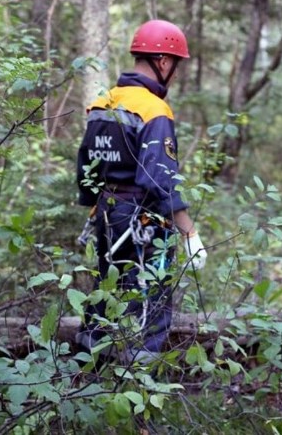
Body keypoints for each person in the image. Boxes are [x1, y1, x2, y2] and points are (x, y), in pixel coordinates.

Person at [75, 19, 207, 368]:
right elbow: (160, 180)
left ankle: (88, 368)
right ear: (163, 61)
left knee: (107, 286)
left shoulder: (103, 102)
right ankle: (144, 378)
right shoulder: (154, 110)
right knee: (152, 295)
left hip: (107, 212)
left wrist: (94, 207)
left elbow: (86, 165)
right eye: (175, 64)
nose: (175, 73)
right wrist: (190, 233)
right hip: (143, 217)